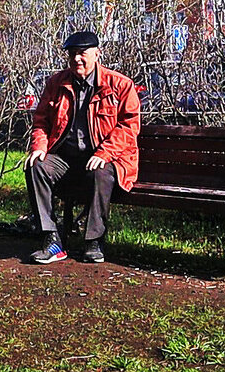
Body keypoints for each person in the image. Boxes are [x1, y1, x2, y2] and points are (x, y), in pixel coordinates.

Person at [24, 31, 140, 264]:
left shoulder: (119, 85)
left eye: (82, 54)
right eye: (72, 54)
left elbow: (129, 125)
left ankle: (93, 241)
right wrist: (39, 146)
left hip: (108, 157)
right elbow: (41, 121)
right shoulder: (56, 83)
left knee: (101, 171)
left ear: (97, 54)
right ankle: (51, 239)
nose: (77, 59)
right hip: (65, 157)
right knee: (36, 166)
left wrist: (104, 152)